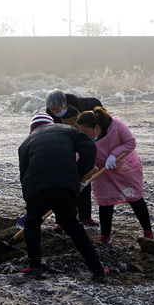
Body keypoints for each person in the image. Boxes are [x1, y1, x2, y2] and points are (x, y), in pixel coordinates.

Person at [17, 112, 107, 280]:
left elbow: (24, 176)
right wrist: (79, 174)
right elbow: (89, 146)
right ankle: (98, 271)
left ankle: (35, 267)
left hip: (36, 186)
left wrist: (31, 202)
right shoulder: (67, 129)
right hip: (65, 183)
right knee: (72, 225)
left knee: (32, 222)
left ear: (32, 129)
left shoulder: (26, 142)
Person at [75, 106, 154, 244]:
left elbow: (131, 142)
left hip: (123, 166)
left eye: (86, 131)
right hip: (102, 171)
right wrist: (81, 177)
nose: (83, 134)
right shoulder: (84, 139)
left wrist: (114, 155)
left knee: (135, 198)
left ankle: (148, 232)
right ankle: (105, 237)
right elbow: (79, 156)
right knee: (105, 202)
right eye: (81, 131)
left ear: (97, 127)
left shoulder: (116, 125)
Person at [46, 89, 104, 226]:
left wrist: (98, 124)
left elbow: (97, 105)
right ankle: (64, 218)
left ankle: (85, 216)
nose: (55, 112)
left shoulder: (79, 104)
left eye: (57, 109)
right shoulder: (49, 115)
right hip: (67, 145)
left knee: (84, 178)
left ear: (65, 104)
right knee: (66, 181)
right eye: (52, 110)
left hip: (85, 144)